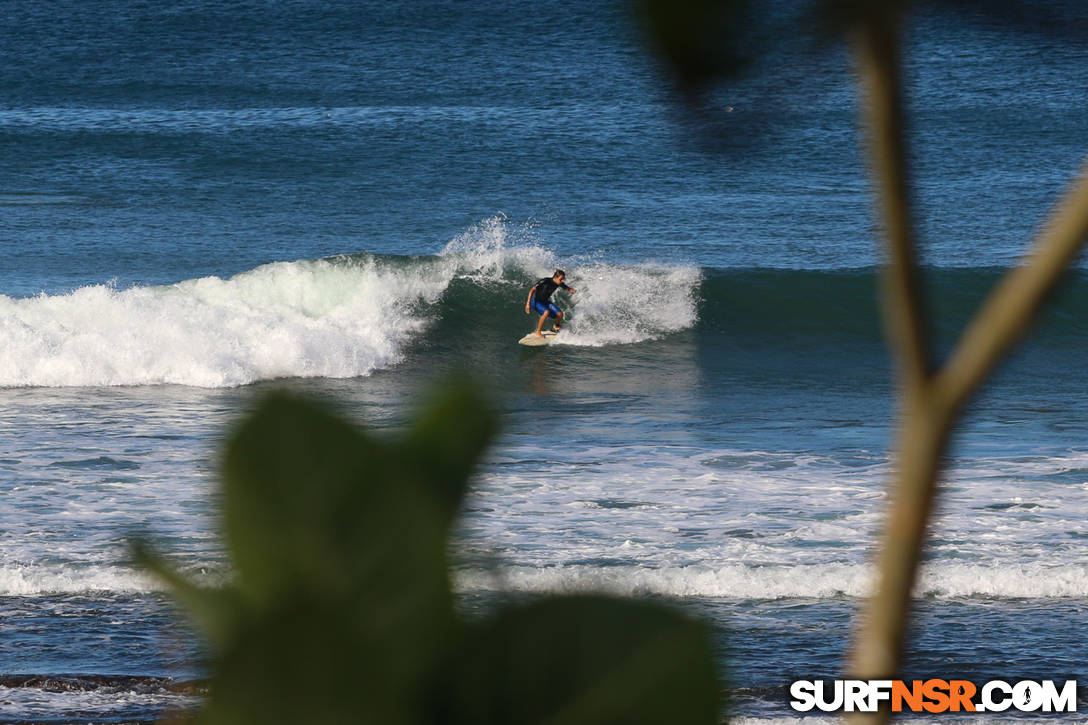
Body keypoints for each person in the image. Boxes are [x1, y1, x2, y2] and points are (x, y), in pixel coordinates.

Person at [525, 269, 577, 337]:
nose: (562, 281)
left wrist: (571, 290)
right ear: (555, 277)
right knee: (546, 312)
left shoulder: (559, 283)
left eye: (563, 279)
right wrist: (528, 303)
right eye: (561, 279)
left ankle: (555, 326)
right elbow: (532, 290)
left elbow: (567, 288)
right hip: (535, 301)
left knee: (560, 314)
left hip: (545, 301)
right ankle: (538, 332)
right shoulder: (545, 281)